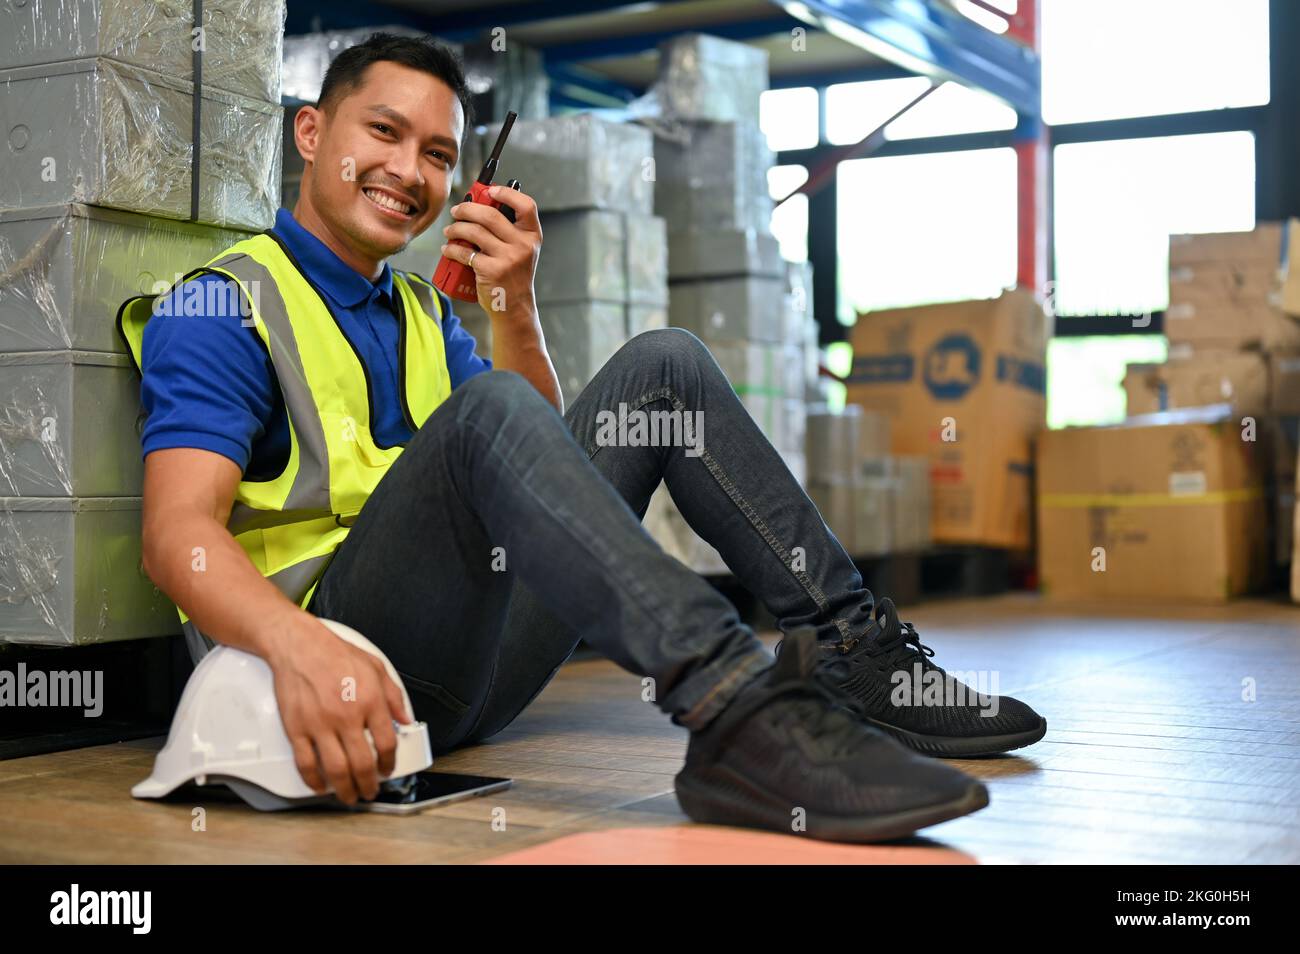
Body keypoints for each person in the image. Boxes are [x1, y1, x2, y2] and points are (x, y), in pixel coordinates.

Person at [119, 33, 1044, 843]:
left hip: (470, 666)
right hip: (338, 670)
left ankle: (853, 652)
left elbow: (537, 461)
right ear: (312, 133)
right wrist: (298, 646)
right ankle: (736, 708)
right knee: (483, 413)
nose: (410, 172)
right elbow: (177, 536)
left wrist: (513, 306)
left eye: (439, 155)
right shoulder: (224, 304)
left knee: (665, 367)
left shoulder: (419, 310)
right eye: (384, 133)